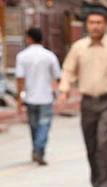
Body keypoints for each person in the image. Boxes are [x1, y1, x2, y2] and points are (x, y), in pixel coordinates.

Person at [59, 5, 107, 187]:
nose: (95, 26)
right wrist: (65, 89)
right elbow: (68, 69)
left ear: (106, 24)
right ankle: (96, 182)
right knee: (91, 145)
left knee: (104, 142)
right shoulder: (79, 47)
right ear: (87, 25)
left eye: (99, 22)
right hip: (87, 102)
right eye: (91, 22)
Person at [15, 27, 62, 166]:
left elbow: (19, 79)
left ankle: (36, 149)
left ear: (29, 38)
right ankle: (39, 150)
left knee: (34, 126)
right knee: (44, 125)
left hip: (30, 98)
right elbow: (58, 76)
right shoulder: (49, 56)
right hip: (46, 97)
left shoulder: (22, 56)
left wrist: (19, 98)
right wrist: (61, 92)